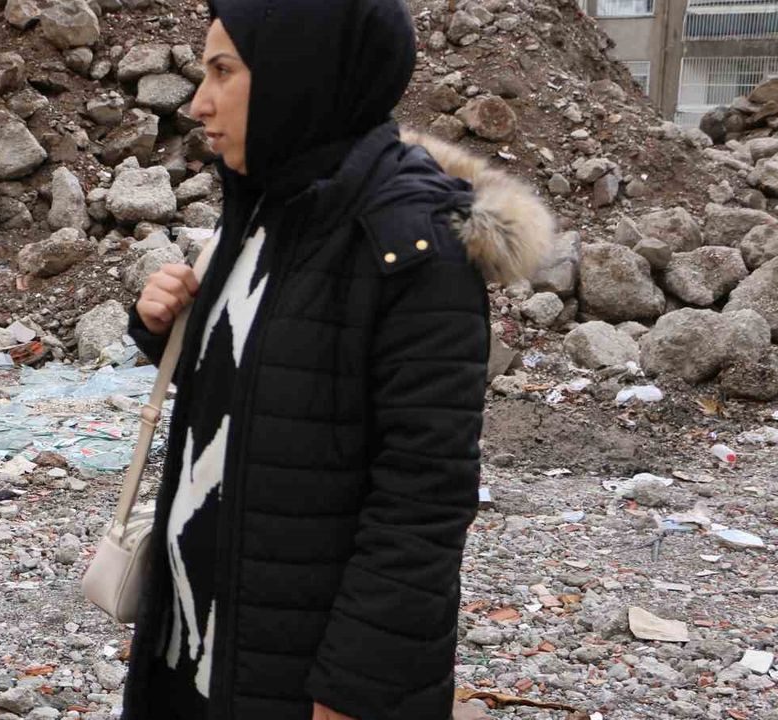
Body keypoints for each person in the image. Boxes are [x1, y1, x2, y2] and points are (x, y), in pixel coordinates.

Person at [120, 1, 554, 719]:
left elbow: (423, 499)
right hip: (197, 656)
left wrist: (358, 689)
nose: (198, 104)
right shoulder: (266, 204)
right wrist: (163, 327)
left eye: (223, 71)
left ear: (298, 73)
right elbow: (270, 383)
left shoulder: (411, 246)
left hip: (301, 681)